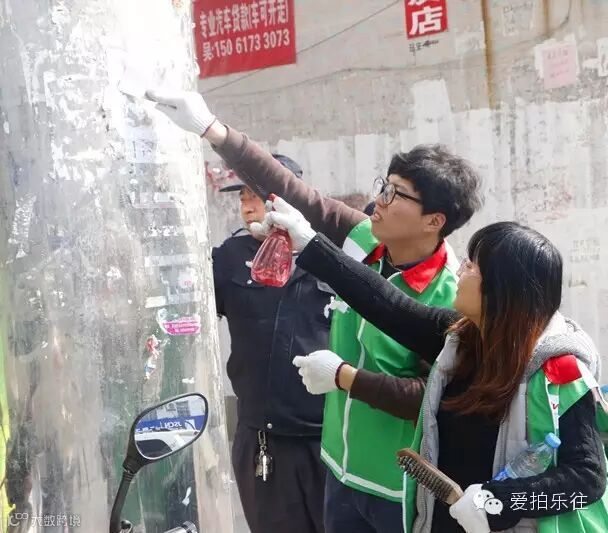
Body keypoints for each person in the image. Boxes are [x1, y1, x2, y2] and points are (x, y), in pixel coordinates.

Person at [146, 89, 483, 533]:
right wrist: (214, 130)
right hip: (338, 468)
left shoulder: (450, 297)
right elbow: (291, 190)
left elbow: (430, 396)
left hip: (393, 487)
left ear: (434, 221)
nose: (379, 200)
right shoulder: (363, 238)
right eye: (383, 185)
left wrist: (347, 378)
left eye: (395, 194)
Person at [259, 197, 608, 533]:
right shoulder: (464, 339)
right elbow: (388, 305)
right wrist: (309, 242)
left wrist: (496, 502)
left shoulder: (558, 372)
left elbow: (587, 478)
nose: (460, 269)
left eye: (472, 266)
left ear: (501, 290)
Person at [211, 156, 333, 533]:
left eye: (256, 195)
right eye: (242, 196)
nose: (247, 205)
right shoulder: (230, 258)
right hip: (264, 441)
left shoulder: (329, 256)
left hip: (329, 440)